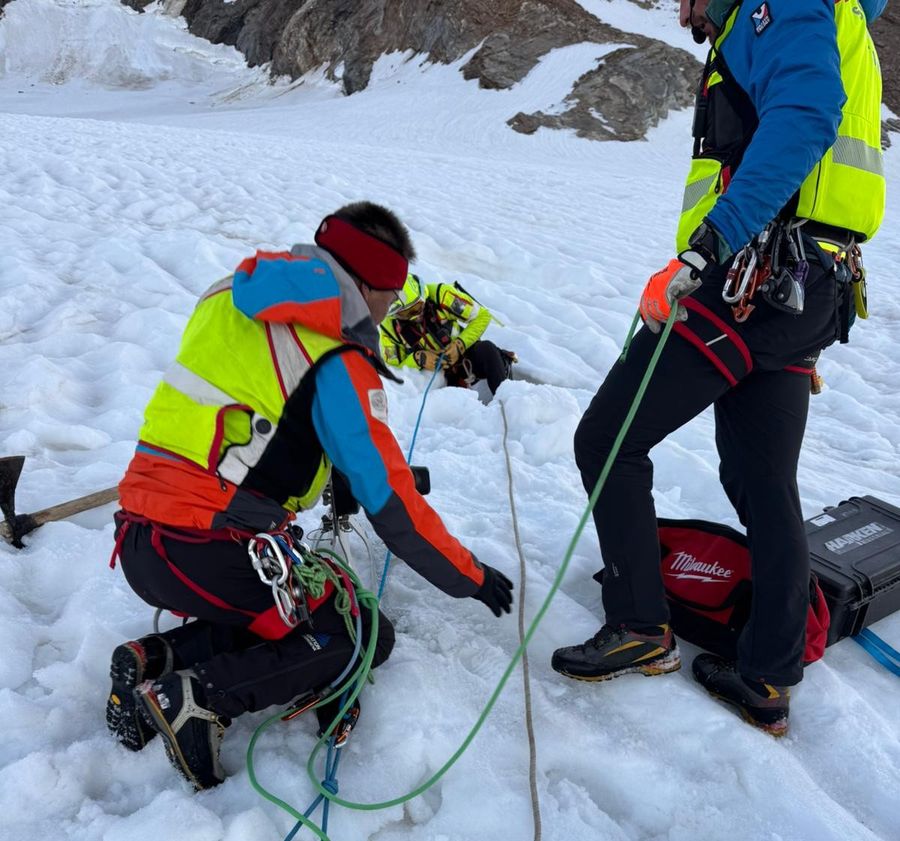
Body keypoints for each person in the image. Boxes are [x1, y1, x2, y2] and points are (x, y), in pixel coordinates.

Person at [552, 0, 885, 736]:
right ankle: (766, 673)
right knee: (762, 479)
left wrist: (706, 248)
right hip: (812, 283)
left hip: (750, 280)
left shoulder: (781, 5)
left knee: (607, 438)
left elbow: (805, 117)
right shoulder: (830, 12)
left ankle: (641, 624)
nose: (680, 12)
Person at [105, 202, 514, 789]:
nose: (390, 310)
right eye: (390, 294)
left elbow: (261, 415)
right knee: (361, 633)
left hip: (143, 539)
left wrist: (328, 472)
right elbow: (394, 506)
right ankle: (199, 700)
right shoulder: (336, 358)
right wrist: (469, 576)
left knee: (284, 612)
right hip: (210, 544)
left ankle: (152, 661)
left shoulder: (229, 295)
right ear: (368, 285)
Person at [379, 273, 516, 396]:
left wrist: (460, 344)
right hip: (436, 376)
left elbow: (482, 316)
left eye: (417, 306)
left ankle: (506, 400)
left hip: (466, 358)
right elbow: (393, 365)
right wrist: (418, 359)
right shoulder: (388, 327)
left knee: (487, 349)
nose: (415, 315)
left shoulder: (442, 295)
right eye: (405, 313)